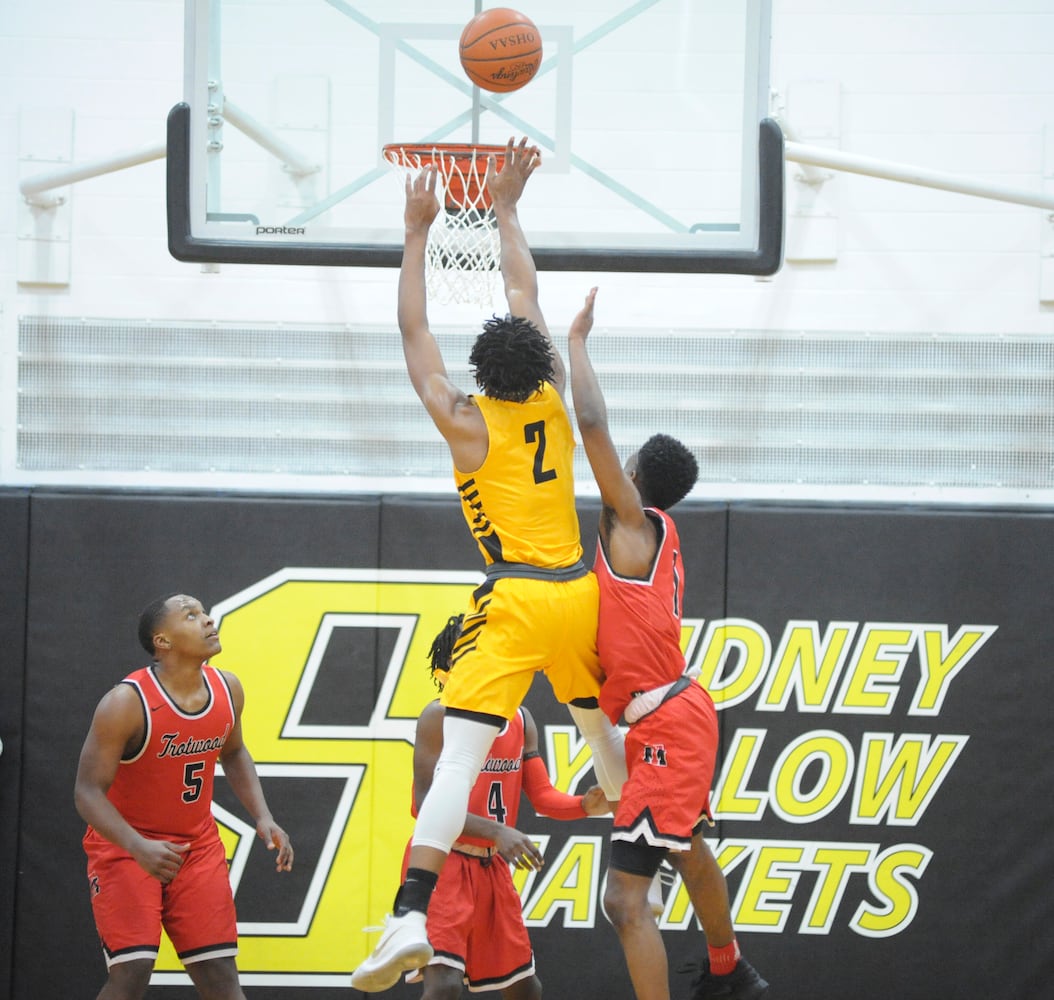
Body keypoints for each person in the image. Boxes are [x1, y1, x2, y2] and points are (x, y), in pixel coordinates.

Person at [350, 137, 628, 992]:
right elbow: (521, 287)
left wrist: (415, 233)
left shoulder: (465, 422)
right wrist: (506, 207)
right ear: (536, 361)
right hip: (576, 593)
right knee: (593, 730)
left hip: (513, 600)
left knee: (463, 759)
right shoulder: (549, 390)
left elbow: (412, 328)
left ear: (479, 375)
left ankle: (407, 916)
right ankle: (646, 807)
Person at [567, 288, 769, 1000]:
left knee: (625, 903)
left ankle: (729, 969)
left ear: (634, 474)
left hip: (667, 721)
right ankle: (729, 970)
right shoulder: (649, 536)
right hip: (669, 715)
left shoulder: (634, 523)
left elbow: (588, 419)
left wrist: (578, 341)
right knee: (683, 849)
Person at [74, 593, 294, 1000]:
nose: (208, 620)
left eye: (204, 612)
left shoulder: (228, 688)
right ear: (163, 641)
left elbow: (234, 752)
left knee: (220, 976)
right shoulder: (126, 703)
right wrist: (137, 846)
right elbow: (86, 793)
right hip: (126, 846)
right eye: (191, 616)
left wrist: (262, 815)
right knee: (132, 971)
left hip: (197, 847)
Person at [404, 614, 612, 999]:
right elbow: (424, 806)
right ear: (451, 667)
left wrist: (584, 804)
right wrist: (497, 831)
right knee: (444, 985)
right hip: (442, 863)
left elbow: (544, 797)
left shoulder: (520, 718)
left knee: (525, 989)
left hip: (491, 868)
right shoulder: (439, 716)